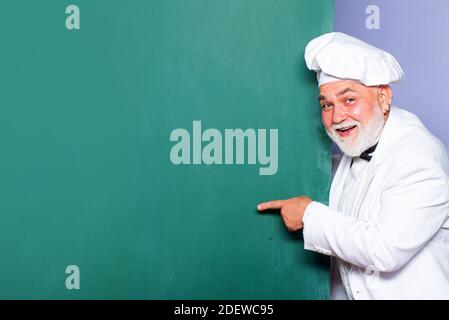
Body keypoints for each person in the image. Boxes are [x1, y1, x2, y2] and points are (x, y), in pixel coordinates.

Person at [257, 32, 449, 300]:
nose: (337, 117)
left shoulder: (419, 157)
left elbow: (383, 249)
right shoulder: (357, 147)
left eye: (349, 100)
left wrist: (308, 215)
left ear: (384, 98)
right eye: (327, 104)